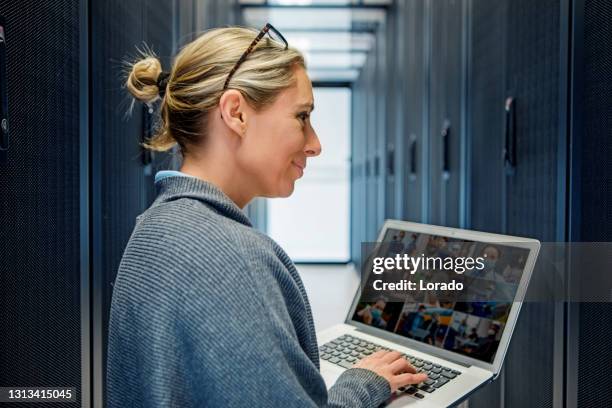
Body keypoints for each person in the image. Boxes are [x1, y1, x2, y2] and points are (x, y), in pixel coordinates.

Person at [106, 25, 426, 408]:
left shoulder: (153, 228)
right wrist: (362, 384)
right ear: (236, 113)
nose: (315, 144)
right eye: (302, 117)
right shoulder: (235, 256)